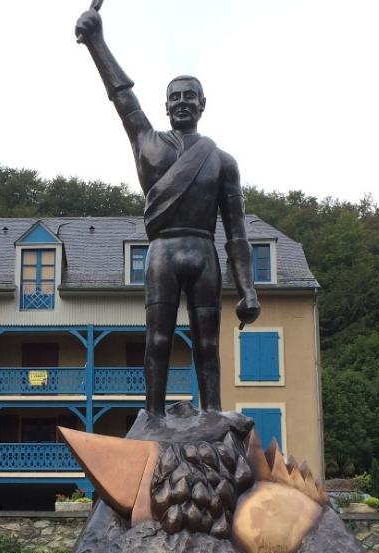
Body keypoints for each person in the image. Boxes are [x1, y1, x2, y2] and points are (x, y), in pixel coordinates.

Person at [76, 6, 261, 415]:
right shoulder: (148, 142)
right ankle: (155, 416)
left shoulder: (223, 161)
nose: (182, 103)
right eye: (174, 97)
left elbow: (236, 233)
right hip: (161, 252)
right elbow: (121, 97)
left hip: (203, 252)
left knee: (208, 343)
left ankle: (213, 415)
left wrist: (247, 288)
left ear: (202, 104)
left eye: (189, 97)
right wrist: (96, 42)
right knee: (156, 339)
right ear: (164, 106)